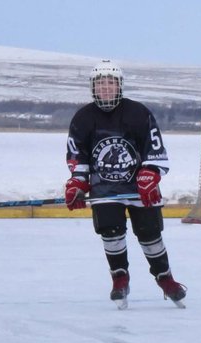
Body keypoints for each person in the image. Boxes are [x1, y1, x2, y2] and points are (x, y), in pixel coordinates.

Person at [64, 60, 185, 308]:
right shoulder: (83, 118)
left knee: (150, 233)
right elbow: (78, 156)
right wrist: (77, 183)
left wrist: (150, 173)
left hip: (140, 188)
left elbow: (154, 148)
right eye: (101, 84)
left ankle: (165, 279)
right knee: (111, 232)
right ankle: (120, 278)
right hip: (105, 190)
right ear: (93, 87)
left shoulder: (138, 113)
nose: (106, 88)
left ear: (119, 86)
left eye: (110, 83)